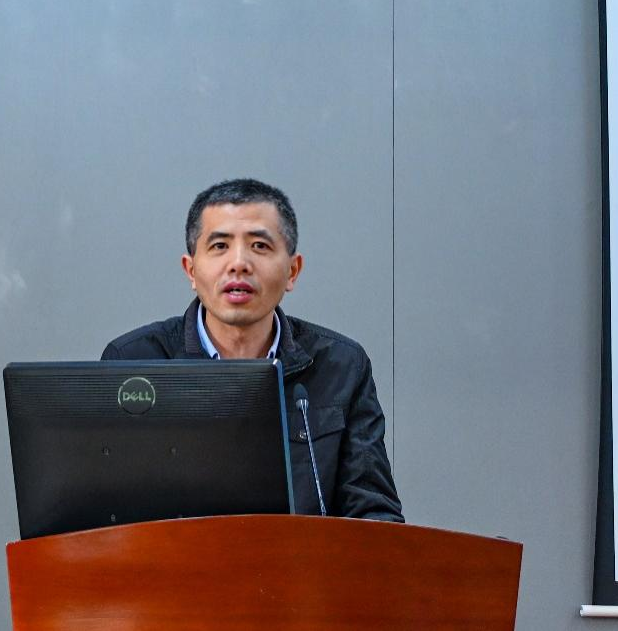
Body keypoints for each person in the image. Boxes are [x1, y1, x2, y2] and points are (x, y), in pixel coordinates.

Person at [102, 178, 403, 521]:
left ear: (292, 271)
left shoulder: (341, 366)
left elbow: (374, 513)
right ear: (191, 270)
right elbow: (110, 515)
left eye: (260, 246)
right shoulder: (134, 361)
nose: (239, 263)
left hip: (300, 557)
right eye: (219, 246)